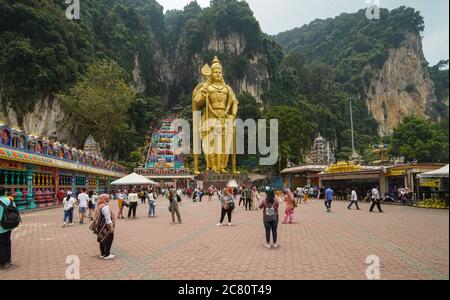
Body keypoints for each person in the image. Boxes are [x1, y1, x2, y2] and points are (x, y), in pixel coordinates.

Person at [91, 194, 116, 260]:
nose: (109, 199)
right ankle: (107, 254)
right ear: (104, 199)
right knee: (109, 238)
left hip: (100, 226)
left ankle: (102, 253)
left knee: (101, 239)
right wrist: (111, 227)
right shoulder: (105, 207)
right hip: (106, 226)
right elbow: (108, 218)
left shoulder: (99, 206)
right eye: (108, 198)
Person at [0, 187, 19, 269]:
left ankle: (3, 262)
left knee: (1, 244)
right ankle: (8, 260)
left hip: (1, 226)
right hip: (9, 225)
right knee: (7, 242)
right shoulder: (11, 200)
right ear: (4, 192)